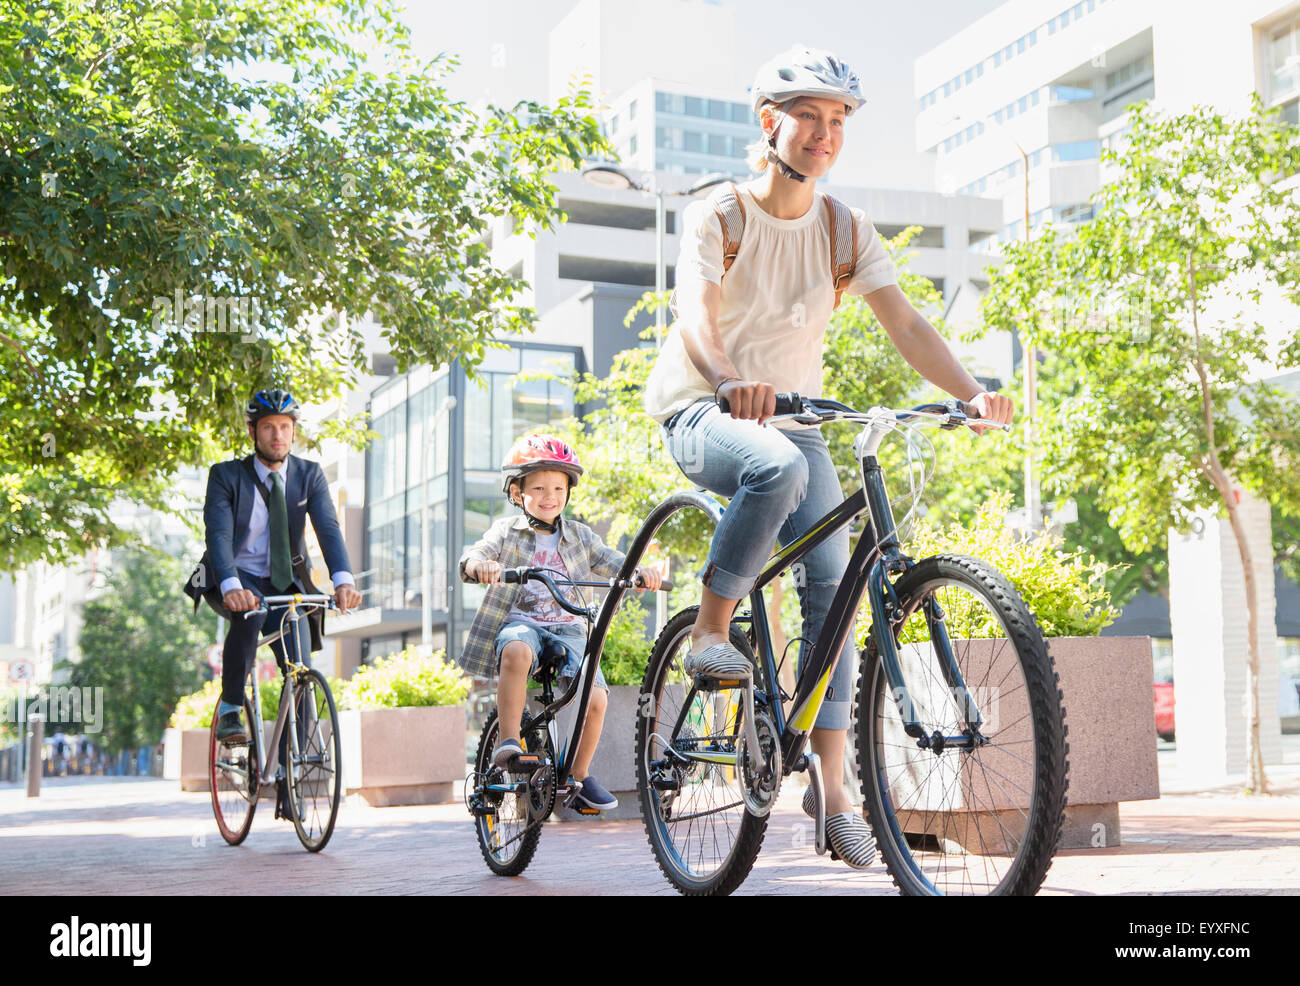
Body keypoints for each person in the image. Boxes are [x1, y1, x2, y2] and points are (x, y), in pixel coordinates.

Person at [643, 46, 1014, 868]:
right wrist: (735, 378)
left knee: (837, 593)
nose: (825, 133)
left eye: (838, 119)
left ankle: (834, 791)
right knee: (775, 468)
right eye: (809, 115)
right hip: (707, 407)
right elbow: (699, 315)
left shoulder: (845, 228)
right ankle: (710, 630)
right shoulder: (722, 216)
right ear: (769, 122)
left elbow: (908, 325)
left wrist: (972, 392)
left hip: (797, 418)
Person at [457, 434, 661, 812]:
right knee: (516, 649)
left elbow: (615, 561)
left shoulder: (580, 535)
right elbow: (477, 554)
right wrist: (478, 564)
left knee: (596, 698)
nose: (549, 495)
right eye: (537, 488)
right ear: (517, 493)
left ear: (568, 490)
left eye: (557, 487)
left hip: (570, 629)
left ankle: (577, 778)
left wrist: (640, 572)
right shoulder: (506, 531)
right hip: (522, 622)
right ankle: (509, 741)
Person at [203, 388, 362, 812]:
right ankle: (233, 710)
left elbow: (327, 528)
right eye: (269, 427)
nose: (278, 436)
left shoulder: (309, 475)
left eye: (285, 428)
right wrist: (231, 584)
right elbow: (218, 536)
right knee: (251, 611)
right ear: (253, 431)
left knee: (301, 670)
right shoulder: (226, 475)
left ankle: (293, 777)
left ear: (294, 433)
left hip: (287, 580)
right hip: (235, 578)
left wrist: (343, 580)